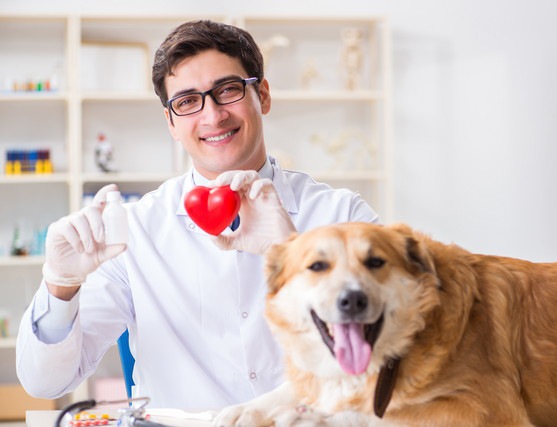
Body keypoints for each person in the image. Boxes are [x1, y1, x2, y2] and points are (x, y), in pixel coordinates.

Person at [15, 20, 378, 410]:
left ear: (264, 95)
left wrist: (295, 255)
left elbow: (398, 353)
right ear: (171, 122)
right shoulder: (134, 232)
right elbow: (45, 382)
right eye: (187, 101)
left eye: (228, 90)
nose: (213, 115)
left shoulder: (343, 214)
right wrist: (60, 285)